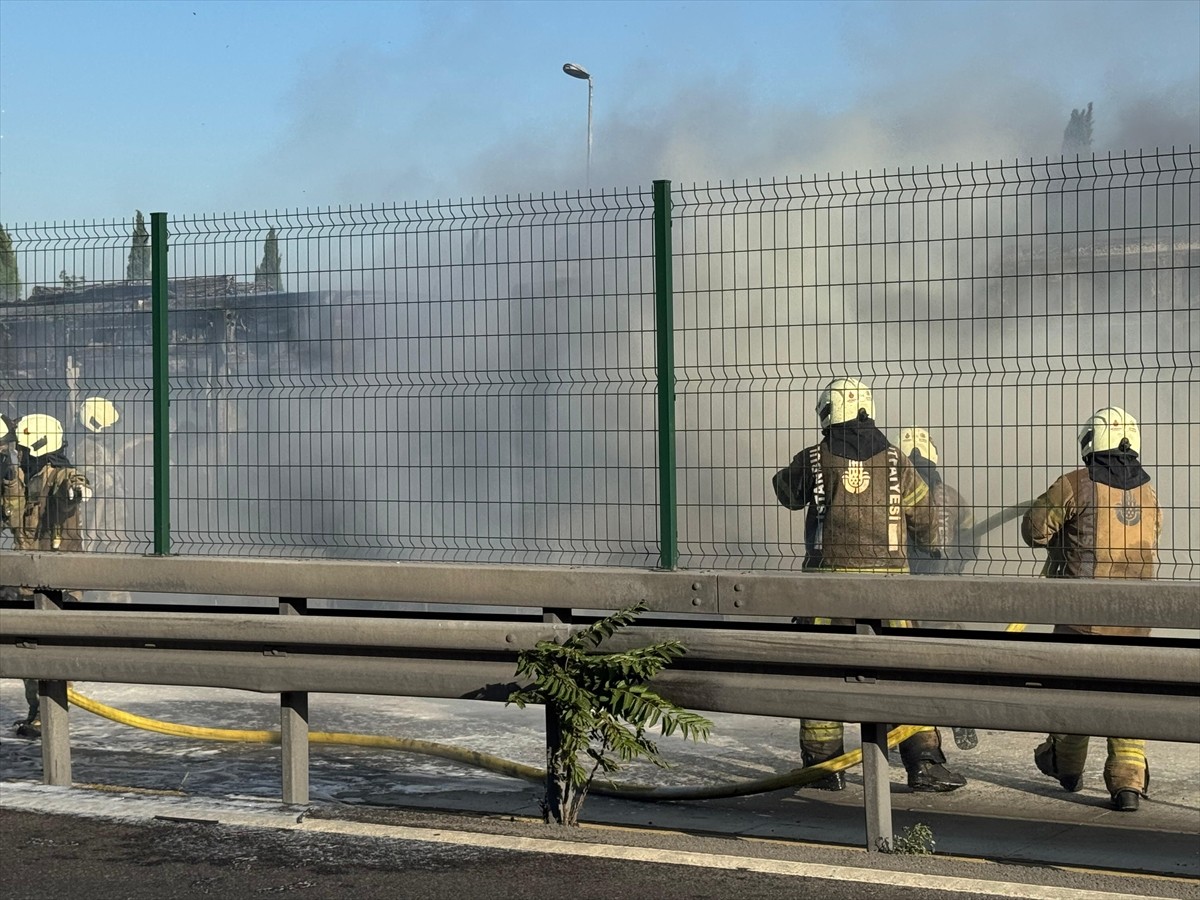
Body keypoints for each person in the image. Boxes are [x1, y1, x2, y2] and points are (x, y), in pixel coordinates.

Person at [772, 378, 967, 793]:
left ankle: (824, 767)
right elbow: (928, 524)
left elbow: (787, 494)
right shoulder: (898, 461)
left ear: (827, 412)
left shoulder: (813, 458)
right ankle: (924, 764)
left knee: (822, 678)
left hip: (825, 594)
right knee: (903, 677)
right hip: (890, 594)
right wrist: (927, 545)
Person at [1022, 406, 1161, 812]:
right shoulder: (1150, 493)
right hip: (1136, 623)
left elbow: (1034, 531)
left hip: (1080, 621)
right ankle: (1127, 783)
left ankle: (1067, 767)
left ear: (1089, 442)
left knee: (1072, 694)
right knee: (1126, 697)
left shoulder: (1075, 483)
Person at [5, 413, 92, 737]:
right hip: (28, 579)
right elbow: (12, 515)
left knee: (51, 653)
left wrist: (78, 490)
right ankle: (37, 712)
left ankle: (50, 715)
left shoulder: (61, 475)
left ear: (39, 448)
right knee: (29, 651)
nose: (18, 453)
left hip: (60, 581)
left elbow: (74, 485)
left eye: (22, 448)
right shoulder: (19, 478)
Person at [899, 425, 980, 751]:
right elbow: (971, 544)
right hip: (944, 594)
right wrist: (953, 570)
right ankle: (963, 720)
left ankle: (913, 736)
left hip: (902, 595)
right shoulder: (954, 497)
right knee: (952, 660)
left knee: (908, 668)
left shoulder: (892, 493)